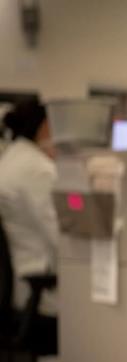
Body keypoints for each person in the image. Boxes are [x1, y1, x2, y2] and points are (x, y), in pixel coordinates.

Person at [0, 99, 59, 339]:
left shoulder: (10, 159)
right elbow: (60, 238)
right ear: (44, 126)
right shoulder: (38, 168)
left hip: (15, 293)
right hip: (38, 296)